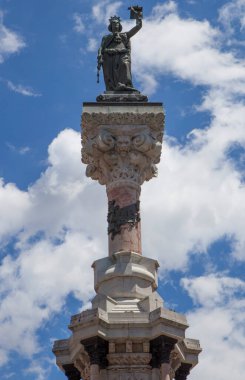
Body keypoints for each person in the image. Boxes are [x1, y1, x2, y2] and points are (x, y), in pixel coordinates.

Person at [97, 10, 142, 92]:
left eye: (117, 23)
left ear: (119, 25)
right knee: (110, 75)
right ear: (111, 26)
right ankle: (113, 88)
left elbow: (138, 27)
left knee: (125, 65)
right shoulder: (106, 37)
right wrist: (100, 56)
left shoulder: (125, 35)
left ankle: (126, 85)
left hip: (122, 55)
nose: (115, 25)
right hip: (109, 56)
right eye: (113, 23)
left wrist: (138, 17)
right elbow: (101, 48)